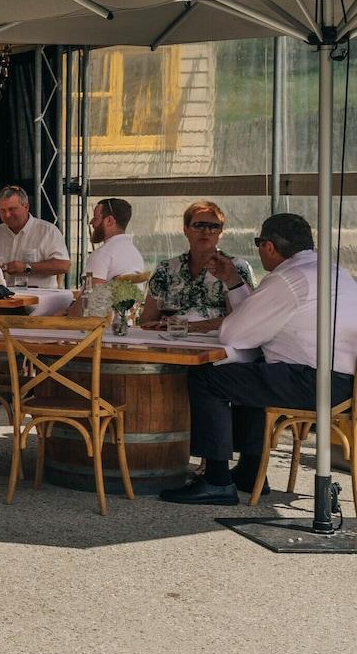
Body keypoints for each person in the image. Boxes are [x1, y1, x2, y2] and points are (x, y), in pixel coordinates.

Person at [160, 214, 357, 505]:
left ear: (269, 247)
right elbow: (251, 325)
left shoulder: (288, 280)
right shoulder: (333, 271)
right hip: (344, 383)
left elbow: (233, 333)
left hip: (315, 381)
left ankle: (216, 481)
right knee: (251, 372)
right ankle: (251, 471)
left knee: (207, 378)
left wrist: (233, 304)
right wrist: (234, 281)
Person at [139, 201, 254, 333]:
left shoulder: (235, 268)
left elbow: (241, 320)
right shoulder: (165, 269)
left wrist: (188, 326)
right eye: (199, 225)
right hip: (170, 342)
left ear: (221, 232)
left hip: (216, 345)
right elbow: (147, 320)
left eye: (214, 226)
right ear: (185, 230)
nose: (206, 231)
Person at [0, 185, 71, 289]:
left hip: (39, 298)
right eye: (2, 210)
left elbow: (64, 265)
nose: (7, 215)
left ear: (26, 206)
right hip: (2, 298)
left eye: (12, 209)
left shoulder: (48, 231)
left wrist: (27, 267)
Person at [67, 197, 145, 315]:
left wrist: (69, 314)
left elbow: (89, 298)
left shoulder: (101, 254)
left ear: (109, 220)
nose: (91, 222)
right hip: (124, 322)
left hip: (98, 326)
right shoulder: (135, 253)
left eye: (96, 218)